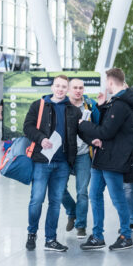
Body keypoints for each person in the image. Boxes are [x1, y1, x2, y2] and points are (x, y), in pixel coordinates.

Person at [78, 68, 133, 251]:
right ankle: (97, 236)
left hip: (114, 159)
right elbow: (108, 125)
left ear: (111, 82)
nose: (106, 85)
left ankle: (125, 235)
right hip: (104, 156)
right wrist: (101, 105)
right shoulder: (115, 103)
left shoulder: (121, 104)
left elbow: (106, 131)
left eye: (107, 82)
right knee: (94, 195)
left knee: (117, 197)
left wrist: (84, 125)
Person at [23, 75, 81, 252]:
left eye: (64, 86)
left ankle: (51, 239)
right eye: (58, 86)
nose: (60, 89)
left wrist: (96, 139)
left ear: (68, 89)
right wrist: (41, 139)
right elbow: (27, 127)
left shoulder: (73, 110)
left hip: (62, 163)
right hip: (41, 161)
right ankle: (32, 233)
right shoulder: (38, 105)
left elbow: (81, 131)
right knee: (37, 200)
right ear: (52, 87)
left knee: (55, 203)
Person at [61, 78, 100, 239]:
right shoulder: (61, 106)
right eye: (75, 88)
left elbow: (98, 127)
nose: (78, 90)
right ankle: (72, 211)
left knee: (82, 192)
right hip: (63, 154)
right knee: (59, 190)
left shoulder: (90, 106)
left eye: (81, 88)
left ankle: (81, 225)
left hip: (84, 154)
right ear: (69, 89)